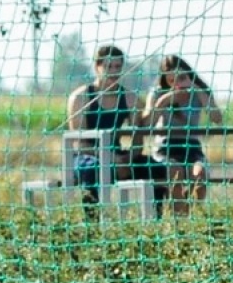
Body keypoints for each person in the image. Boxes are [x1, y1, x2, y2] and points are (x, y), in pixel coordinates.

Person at [65, 45, 163, 213]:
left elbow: (138, 137)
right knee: (93, 170)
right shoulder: (80, 97)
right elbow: (79, 143)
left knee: (157, 168)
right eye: (108, 66)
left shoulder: (129, 98)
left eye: (118, 67)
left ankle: (155, 220)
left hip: (119, 155)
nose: (114, 71)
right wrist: (109, 159)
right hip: (88, 156)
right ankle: (93, 227)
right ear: (97, 67)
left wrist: (128, 158)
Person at [142, 55, 221, 218]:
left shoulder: (199, 92)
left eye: (182, 78)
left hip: (191, 147)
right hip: (166, 148)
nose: (177, 84)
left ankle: (194, 215)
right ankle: (180, 220)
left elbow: (217, 118)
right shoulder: (158, 93)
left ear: (189, 75)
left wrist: (196, 90)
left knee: (200, 173)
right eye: (172, 80)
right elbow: (146, 125)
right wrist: (164, 101)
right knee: (175, 172)